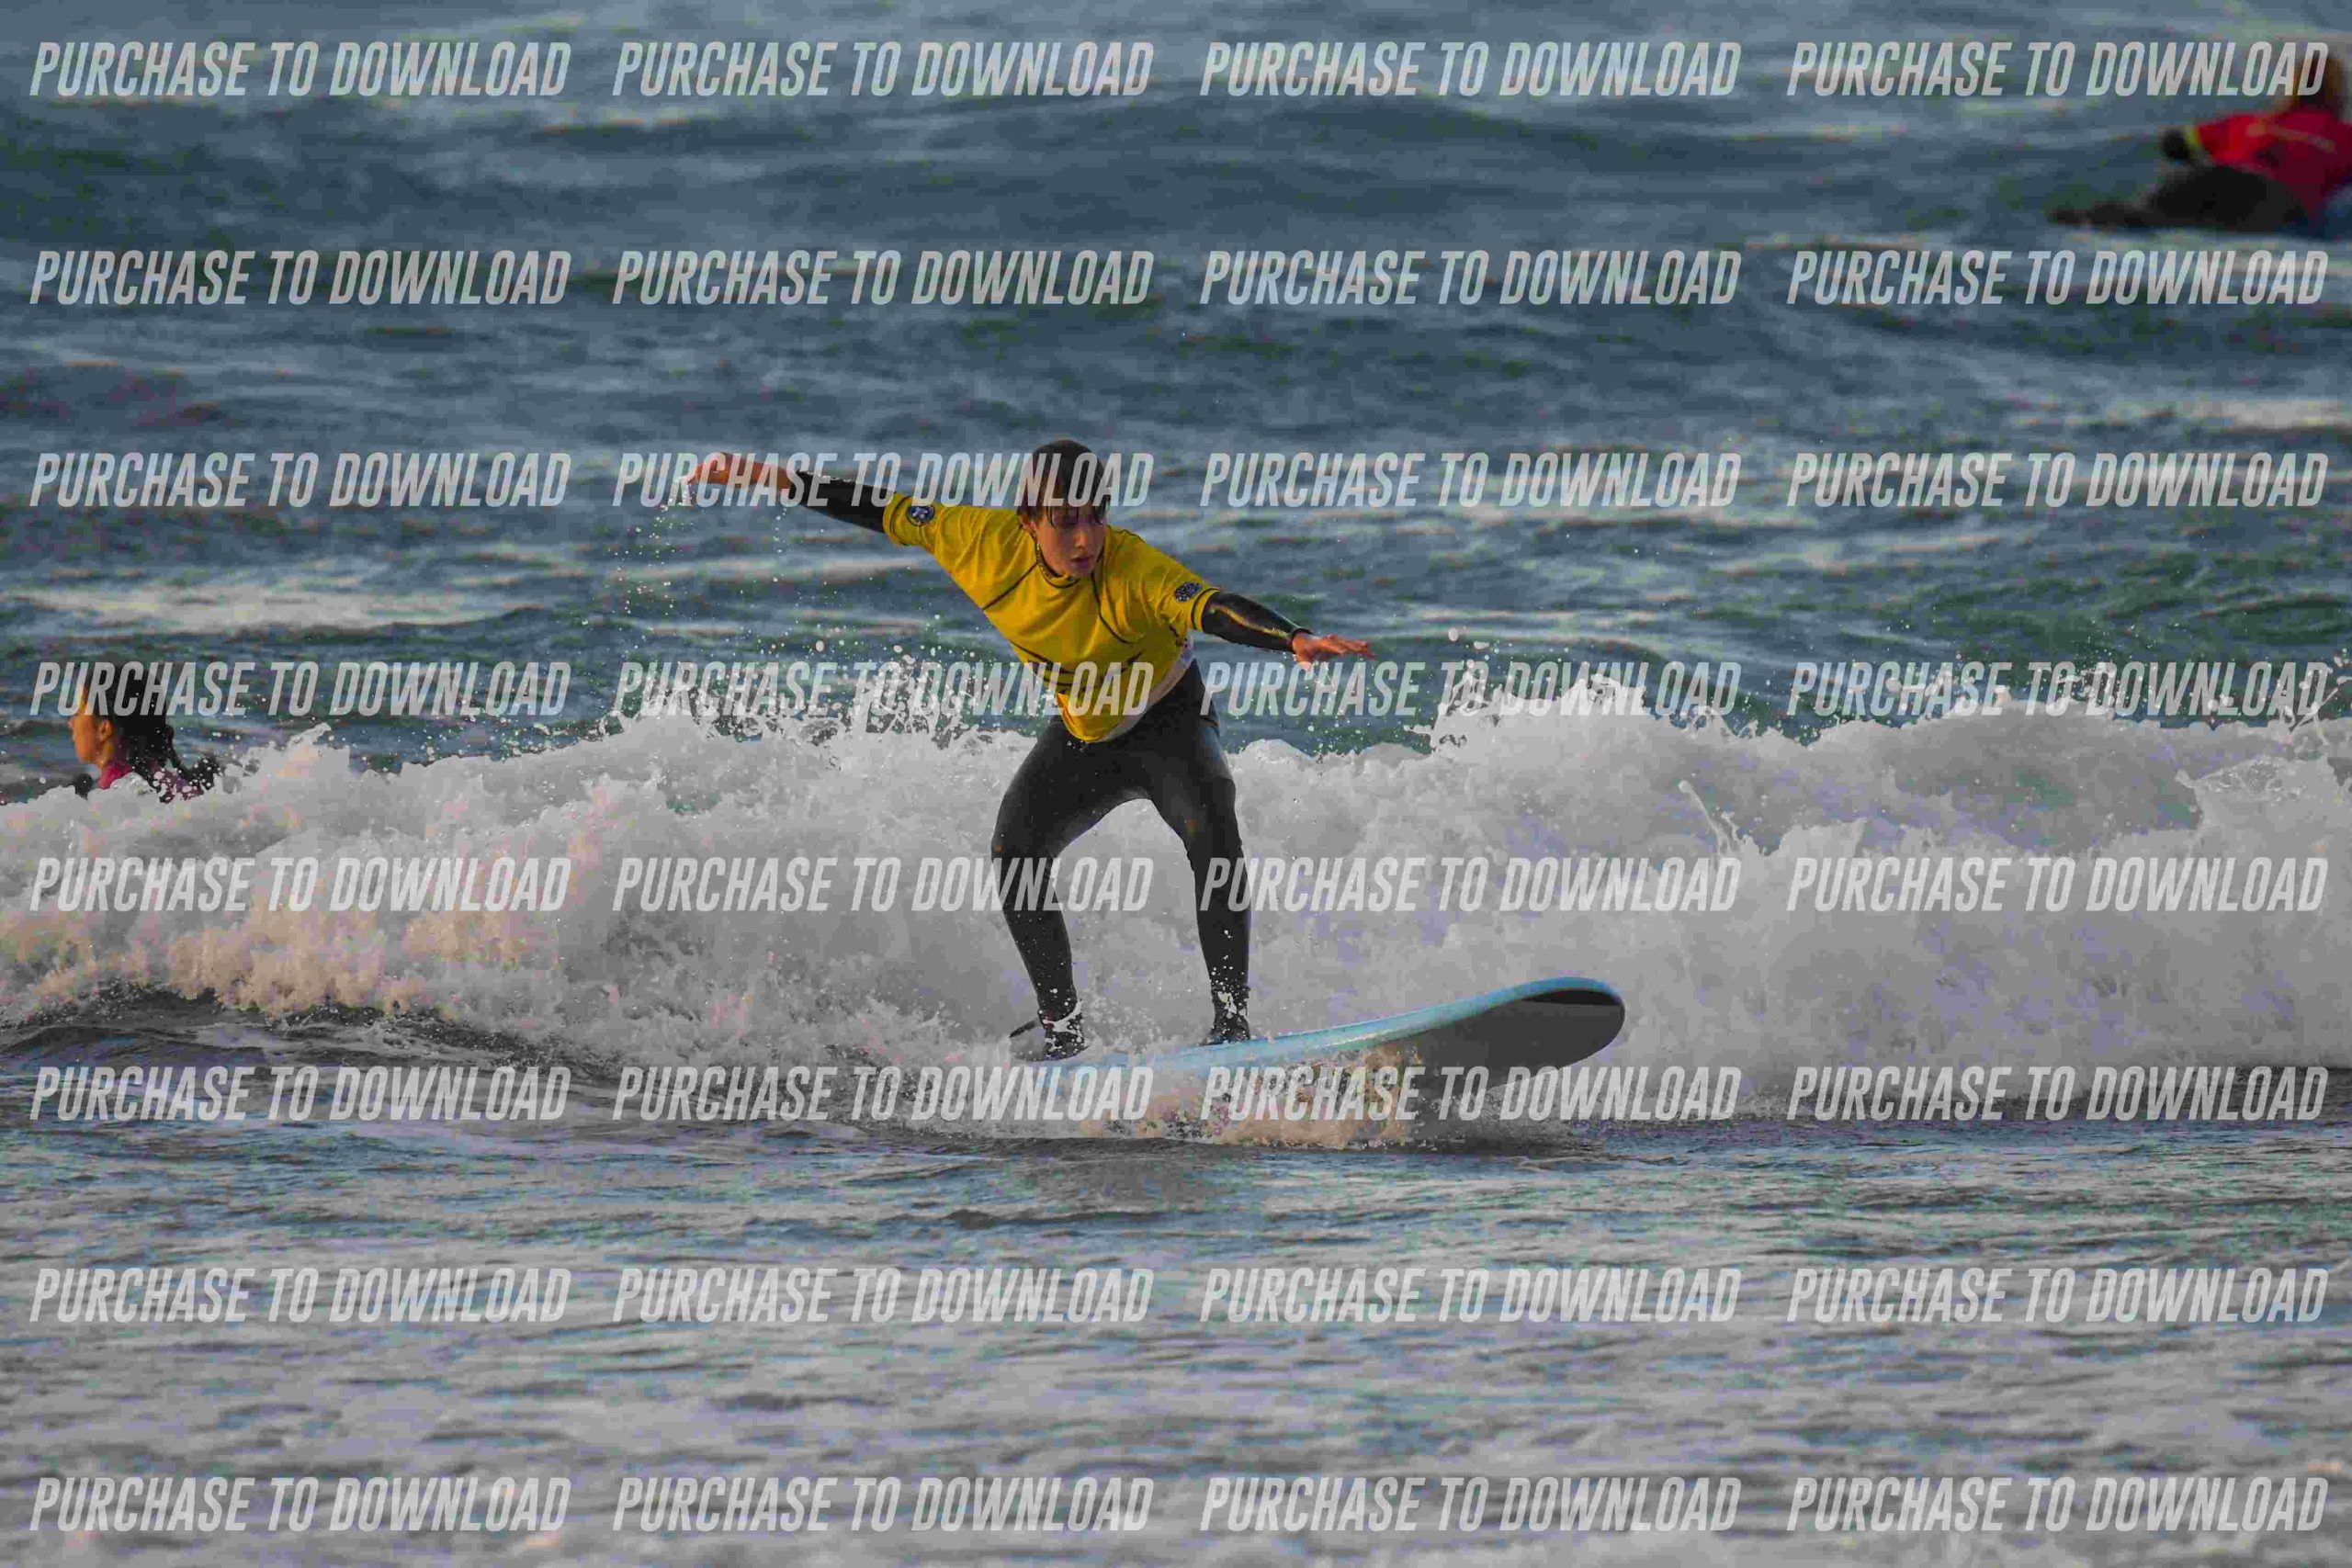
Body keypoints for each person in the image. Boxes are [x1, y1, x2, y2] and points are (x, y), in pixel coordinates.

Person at [688, 439, 1372, 1058]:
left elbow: (1213, 606)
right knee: (1015, 851)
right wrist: (762, 475)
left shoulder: (1132, 565)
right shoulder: (977, 541)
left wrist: (1291, 637)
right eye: (1064, 521)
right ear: (1028, 521)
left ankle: (1231, 1025)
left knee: (1212, 827)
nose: (1084, 538)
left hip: (1170, 720)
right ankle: (1063, 1030)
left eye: (1094, 518)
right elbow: (873, 505)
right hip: (1086, 734)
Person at [2052, 58, 2352, 233]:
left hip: (2208, 177)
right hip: (2273, 198)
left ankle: (2081, 219)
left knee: (2143, 217)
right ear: (2339, 97)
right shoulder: (2344, 136)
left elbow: (2173, 144)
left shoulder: (2245, 123)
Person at [70, 663, 219, 802]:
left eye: (78, 713)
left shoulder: (114, 791)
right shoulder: (170, 782)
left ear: (104, 729)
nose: (71, 723)